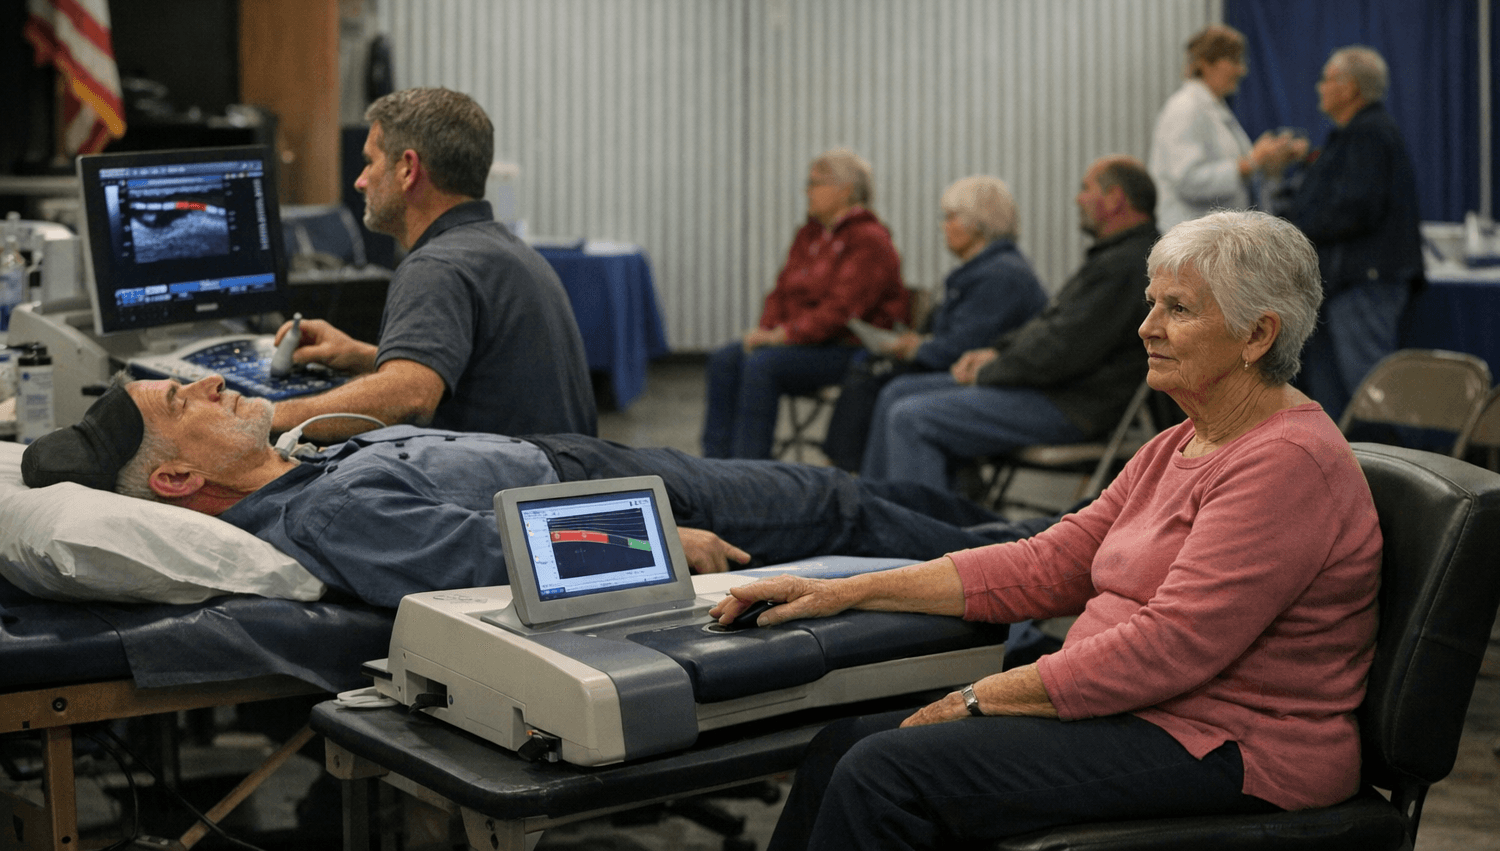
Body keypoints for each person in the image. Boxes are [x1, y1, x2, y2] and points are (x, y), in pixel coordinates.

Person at [714, 210, 1382, 851]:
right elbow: (1048, 563)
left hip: (1233, 745)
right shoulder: (1182, 442)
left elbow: (1170, 647)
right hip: (1144, 712)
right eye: (1152, 304)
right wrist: (844, 590)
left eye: (1177, 309)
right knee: (844, 745)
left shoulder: (1286, 461)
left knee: (883, 772)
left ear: (1258, 335)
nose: (1146, 327)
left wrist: (982, 697)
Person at [18, 375, 1053, 610]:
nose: (209, 380)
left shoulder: (290, 471)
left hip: (584, 467)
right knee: (841, 507)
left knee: (850, 491)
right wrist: (656, 540)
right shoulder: (317, 513)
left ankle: (1057, 543)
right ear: (176, 478)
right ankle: (1050, 566)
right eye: (182, 398)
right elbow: (485, 557)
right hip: (627, 497)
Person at [269, 87, 597, 442]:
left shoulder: (437, 266)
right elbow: (475, 376)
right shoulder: (510, 253)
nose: (360, 181)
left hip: (491, 492)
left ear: (408, 169)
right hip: (550, 486)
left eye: (370, 161)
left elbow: (409, 398)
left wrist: (267, 415)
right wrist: (360, 356)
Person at [859, 156, 1158, 493]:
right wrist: (994, 353)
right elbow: (1053, 332)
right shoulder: (1115, 259)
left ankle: (911, 536)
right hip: (1055, 390)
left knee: (911, 416)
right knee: (897, 393)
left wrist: (990, 369)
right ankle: (878, 515)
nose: (1078, 199)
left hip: (1072, 405)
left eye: (1085, 189)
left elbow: (1061, 351)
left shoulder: (1126, 267)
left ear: (1114, 199)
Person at [820, 176, 1048, 472]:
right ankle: (867, 485)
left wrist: (915, 349)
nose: (944, 226)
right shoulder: (987, 269)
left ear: (978, 224)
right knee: (876, 374)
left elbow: (961, 348)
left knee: (888, 387)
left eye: (951, 217)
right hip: (977, 372)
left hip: (997, 383)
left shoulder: (1002, 275)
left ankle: (867, 488)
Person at [703, 148, 908, 460]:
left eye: (816, 183)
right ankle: (711, 470)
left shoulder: (869, 239)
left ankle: (749, 474)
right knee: (725, 360)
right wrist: (767, 329)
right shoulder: (809, 234)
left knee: (762, 366)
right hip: (802, 341)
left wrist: (781, 336)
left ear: (845, 190)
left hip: (847, 349)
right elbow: (782, 291)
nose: (807, 191)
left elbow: (842, 312)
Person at [1271, 46, 1424, 419]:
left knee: (1371, 396)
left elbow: (1355, 207)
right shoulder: (1356, 134)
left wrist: (1294, 225)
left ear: (1350, 88)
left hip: (1362, 285)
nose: (1319, 86)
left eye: (1327, 79)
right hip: (1344, 285)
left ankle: (1404, 469)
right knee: (1335, 399)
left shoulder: (1368, 135)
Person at [1147, 24, 1299, 231]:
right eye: (1234, 61)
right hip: (1190, 239)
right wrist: (1250, 162)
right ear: (1206, 64)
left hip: (1211, 238)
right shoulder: (1186, 108)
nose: (1242, 70)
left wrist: (1269, 162)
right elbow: (1187, 181)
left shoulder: (1214, 108)